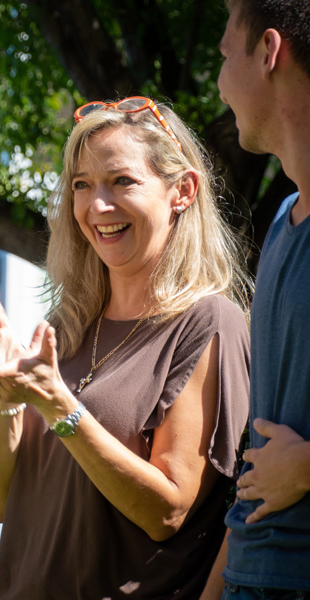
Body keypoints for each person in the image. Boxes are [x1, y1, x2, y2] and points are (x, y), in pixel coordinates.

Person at [0, 97, 252, 599]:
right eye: (82, 185)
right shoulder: (66, 325)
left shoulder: (209, 323)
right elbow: (4, 503)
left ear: (182, 191)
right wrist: (3, 399)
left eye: (122, 181)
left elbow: (168, 510)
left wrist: (60, 405)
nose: (97, 206)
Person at [205, 1, 310, 597]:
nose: (219, 86)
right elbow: (258, 463)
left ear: (268, 52)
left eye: (224, 56)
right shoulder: (279, 225)